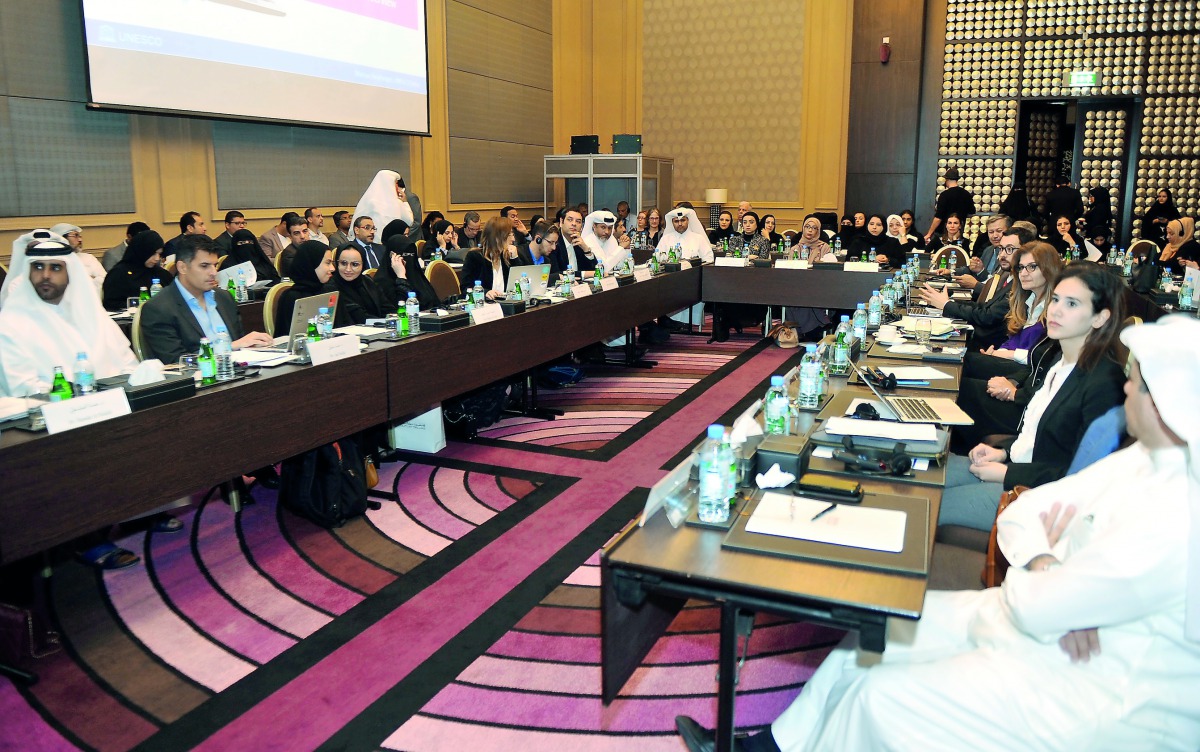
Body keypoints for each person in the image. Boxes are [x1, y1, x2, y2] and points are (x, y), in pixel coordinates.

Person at [677, 316, 1200, 752]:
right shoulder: (1146, 460)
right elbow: (1024, 515)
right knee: (874, 630)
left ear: (1165, 405)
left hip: (1094, 688)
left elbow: (1037, 607)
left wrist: (1051, 582)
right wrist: (1050, 564)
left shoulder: (1178, 513)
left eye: (1136, 382)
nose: (1125, 388)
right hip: (1037, 624)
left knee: (879, 698)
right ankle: (766, 748)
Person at [940, 262, 1127, 531]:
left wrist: (1009, 473)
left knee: (929, 503)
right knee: (921, 472)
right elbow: (1037, 435)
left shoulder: (1105, 382)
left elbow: (1084, 474)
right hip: (1015, 468)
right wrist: (1002, 453)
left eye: (1072, 304)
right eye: (1056, 300)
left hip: (1039, 497)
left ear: (1100, 318)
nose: (1056, 310)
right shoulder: (1057, 359)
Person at [0, 236, 138, 397]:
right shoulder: (11, 324)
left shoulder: (94, 316)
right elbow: (24, 389)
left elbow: (129, 366)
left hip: (113, 408)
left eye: (55, 268)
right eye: (38, 267)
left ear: (70, 272)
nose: (45, 275)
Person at [140, 235, 274, 364]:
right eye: (204, 266)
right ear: (182, 267)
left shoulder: (224, 298)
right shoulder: (158, 308)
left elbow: (240, 346)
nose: (214, 272)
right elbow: (177, 362)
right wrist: (231, 346)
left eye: (214, 265)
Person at [919, 224, 1037, 350]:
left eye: (1009, 249)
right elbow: (984, 307)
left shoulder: (1023, 284)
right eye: (1001, 249)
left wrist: (947, 305)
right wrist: (947, 302)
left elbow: (987, 316)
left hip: (989, 348)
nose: (1002, 255)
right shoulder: (1008, 276)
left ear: (1025, 252)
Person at [272, 241, 343, 337]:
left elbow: (343, 327)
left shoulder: (330, 291)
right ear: (311, 264)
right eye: (328, 263)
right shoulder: (291, 297)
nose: (332, 268)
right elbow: (285, 338)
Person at [101, 230, 173, 311]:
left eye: (159, 254)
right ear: (141, 251)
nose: (157, 258)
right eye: (153, 254)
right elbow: (111, 304)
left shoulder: (160, 273)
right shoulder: (118, 274)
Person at [353, 169, 423, 243]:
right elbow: (409, 221)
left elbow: (410, 222)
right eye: (395, 183)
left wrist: (404, 202)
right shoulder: (374, 201)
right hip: (378, 242)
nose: (397, 186)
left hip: (390, 241)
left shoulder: (371, 200)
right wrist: (404, 203)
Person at [376, 234, 440, 310]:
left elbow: (433, 302)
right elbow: (399, 309)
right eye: (405, 254)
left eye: (412, 254)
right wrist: (401, 277)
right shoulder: (382, 282)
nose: (409, 258)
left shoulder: (416, 276)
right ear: (392, 257)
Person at [331, 245, 390, 324]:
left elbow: (388, 308)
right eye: (343, 263)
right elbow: (360, 318)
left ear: (363, 265)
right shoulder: (332, 287)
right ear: (337, 264)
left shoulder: (367, 282)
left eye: (355, 264)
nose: (348, 269)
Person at [460, 217, 514, 298]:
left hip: (506, 304)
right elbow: (465, 288)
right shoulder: (475, 256)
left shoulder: (507, 256)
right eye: (510, 235)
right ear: (498, 238)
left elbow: (519, 283)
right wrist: (486, 292)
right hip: (483, 305)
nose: (513, 239)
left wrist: (515, 258)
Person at [49, 222, 105, 295]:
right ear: (61, 238)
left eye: (80, 236)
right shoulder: (51, 261)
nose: (80, 240)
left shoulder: (89, 258)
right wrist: (91, 279)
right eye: (75, 236)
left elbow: (105, 281)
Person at [923, 166, 976, 244]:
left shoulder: (944, 195)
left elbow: (938, 217)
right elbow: (971, 213)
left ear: (947, 180)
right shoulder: (966, 194)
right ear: (957, 180)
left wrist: (929, 233)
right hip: (958, 231)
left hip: (943, 232)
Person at [551, 207, 595, 277]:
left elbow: (594, 270)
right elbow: (555, 273)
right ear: (561, 222)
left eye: (578, 221)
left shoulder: (579, 243)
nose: (574, 224)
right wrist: (583, 274)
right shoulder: (553, 243)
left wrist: (586, 250)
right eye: (570, 220)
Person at [1082, 186, 1114, 252]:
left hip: (1098, 234)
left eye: (1092, 196)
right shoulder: (1097, 206)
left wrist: (1083, 226)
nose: (1090, 198)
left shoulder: (1100, 208)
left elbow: (1096, 222)